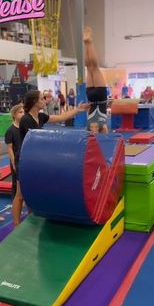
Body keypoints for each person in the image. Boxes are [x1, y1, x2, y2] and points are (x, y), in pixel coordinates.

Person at [12, 90, 90, 227]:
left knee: (31, 190)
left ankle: (31, 218)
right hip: (24, 160)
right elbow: (35, 140)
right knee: (20, 194)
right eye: (42, 98)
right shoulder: (26, 120)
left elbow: (61, 117)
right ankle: (16, 224)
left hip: (34, 159)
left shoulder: (41, 116)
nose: (45, 100)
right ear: (35, 102)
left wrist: (78, 110)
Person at [84, 27, 108, 133]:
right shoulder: (89, 125)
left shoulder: (103, 127)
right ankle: (87, 43)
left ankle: (89, 42)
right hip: (91, 97)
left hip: (100, 97)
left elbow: (107, 136)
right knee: (89, 67)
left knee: (94, 67)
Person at [5, 102, 24, 199]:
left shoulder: (24, 128)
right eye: (20, 112)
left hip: (24, 158)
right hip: (15, 160)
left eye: (24, 112)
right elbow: (9, 149)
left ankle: (24, 199)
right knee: (15, 183)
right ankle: (15, 201)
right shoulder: (10, 131)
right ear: (14, 115)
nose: (23, 114)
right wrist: (13, 164)